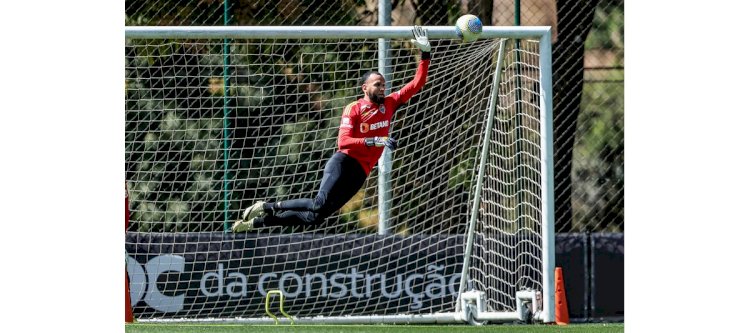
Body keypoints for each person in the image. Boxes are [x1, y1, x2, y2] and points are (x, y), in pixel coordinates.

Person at [232, 26, 432, 232]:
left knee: (314, 218)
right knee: (319, 203)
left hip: (361, 172)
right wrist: (374, 141)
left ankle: (258, 222)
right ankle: (266, 206)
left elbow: (418, 83)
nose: (382, 88)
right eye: (377, 84)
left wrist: (425, 54)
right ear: (365, 88)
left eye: (383, 85)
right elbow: (343, 142)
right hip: (343, 163)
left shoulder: (389, 103)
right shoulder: (354, 108)